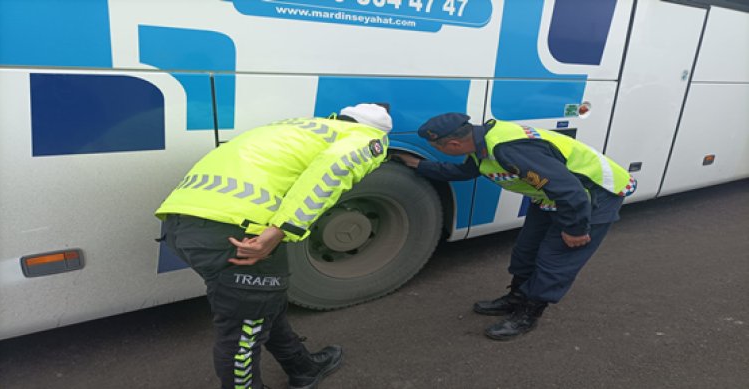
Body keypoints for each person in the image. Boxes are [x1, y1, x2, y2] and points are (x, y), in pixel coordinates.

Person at [154, 103, 392, 388]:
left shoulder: (297, 127)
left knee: (260, 302)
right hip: (235, 233)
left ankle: (302, 367)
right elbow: (330, 175)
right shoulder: (366, 137)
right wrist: (282, 230)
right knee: (242, 333)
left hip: (181, 225)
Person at [392, 113, 636, 341]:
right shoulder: (480, 145)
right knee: (525, 250)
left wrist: (576, 229)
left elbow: (570, 192)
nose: (437, 151)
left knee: (555, 260)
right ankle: (516, 298)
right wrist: (419, 165)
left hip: (592, 197)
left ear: (454, 145)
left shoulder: (510, 150)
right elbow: (464, 171)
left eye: (437, 148)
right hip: (553, 197)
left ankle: (528, 315)